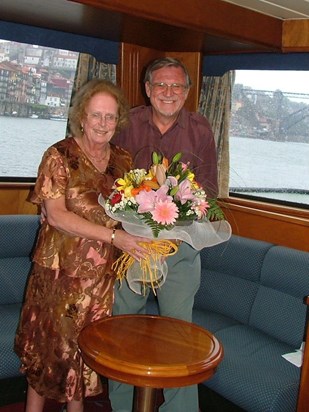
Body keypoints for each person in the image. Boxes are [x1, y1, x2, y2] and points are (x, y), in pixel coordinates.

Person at [14, 79, 151, 412]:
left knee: (84, 354)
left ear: (118, 120)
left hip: (101, 276)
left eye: (110, 116)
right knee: (48, 350)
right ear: (82, 117)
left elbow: (130, 210)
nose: (103, 124)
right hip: (59, 273)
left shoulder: (123, 160)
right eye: (96, 115)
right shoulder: (58, 156)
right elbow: (57, 216)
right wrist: (116, 237)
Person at [110, 58, 218, 412]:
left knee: (180, 337)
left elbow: (210, 191)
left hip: (181, 249)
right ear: (147, 89)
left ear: (186, 92)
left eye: (176, 87)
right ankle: (124, 406)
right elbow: (112, 181)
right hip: (134, 247)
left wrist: (183, 211)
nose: (168, 93)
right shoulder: (127, 124)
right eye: (160, 85)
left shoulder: (200, 130)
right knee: (123, 331)